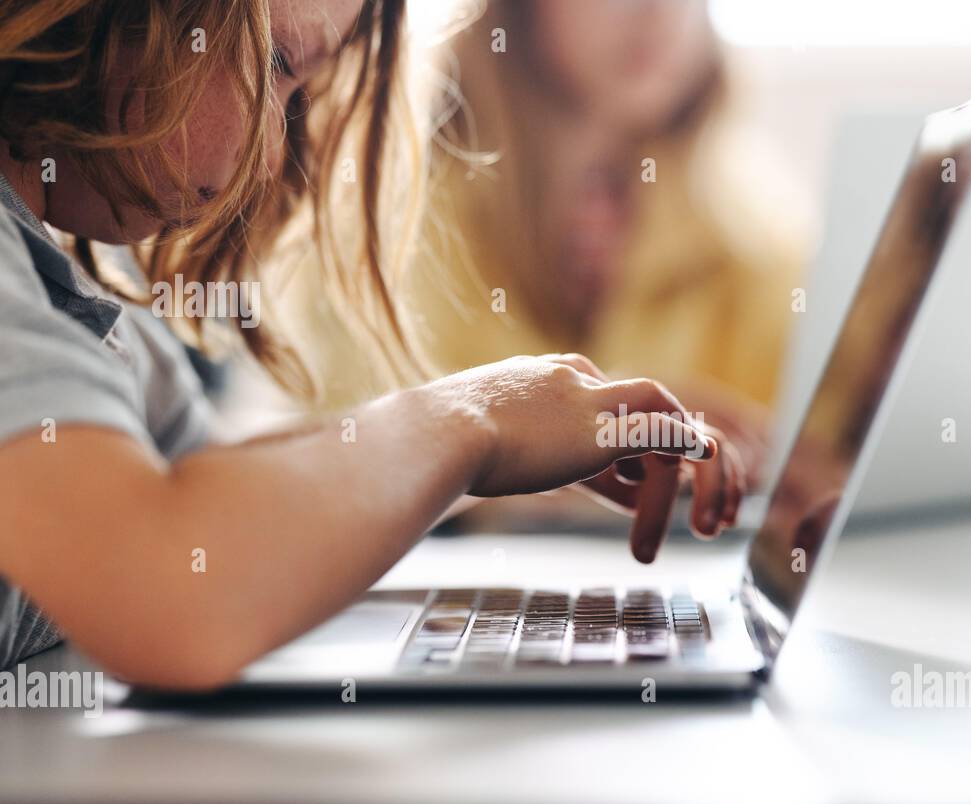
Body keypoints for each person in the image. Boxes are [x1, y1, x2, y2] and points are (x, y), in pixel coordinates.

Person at [0, 0, 742, 689]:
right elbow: (169, 595)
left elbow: (213, 492)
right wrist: (473, 423)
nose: (266, 163)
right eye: (281, 65)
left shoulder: (70, 303)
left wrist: (513, 432)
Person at [274, 0, 806, 478]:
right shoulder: (380, 227)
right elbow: (351, 463)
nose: (660, 13)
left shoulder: (762, 240)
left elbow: (818, 446)